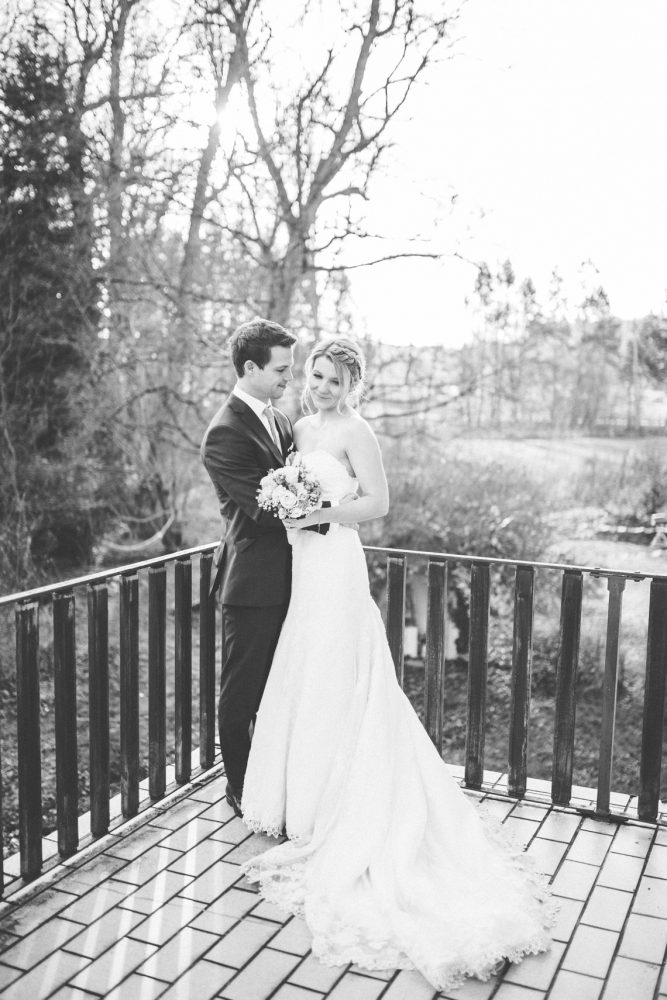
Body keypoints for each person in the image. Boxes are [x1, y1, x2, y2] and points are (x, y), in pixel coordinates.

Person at [239, 336, 555, 993]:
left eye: (333, 378)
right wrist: (284, 505)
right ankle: (305, 804)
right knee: (304, 673)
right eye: (315, 375)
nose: (321, 385)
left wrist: (315, 509)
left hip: (336, 564)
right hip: (303, 567)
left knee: (339, 674)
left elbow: (376, 505)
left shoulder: (358, 431)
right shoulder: (297, 426)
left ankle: (344, 809)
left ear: (351, 382)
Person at [200, 317, 297, 817]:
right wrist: (321, 510)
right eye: (282, 369)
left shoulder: (280, 420)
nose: (289, 378)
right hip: (253, 584)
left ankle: (275, 778)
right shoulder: (224, 433)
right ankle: (241, 789)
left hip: (294, 579)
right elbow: (262, 511)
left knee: (282, 686)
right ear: (251, 367)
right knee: (242, 696)